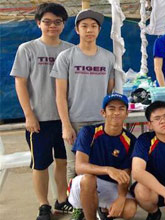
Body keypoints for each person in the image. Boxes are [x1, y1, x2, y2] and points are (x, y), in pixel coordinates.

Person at [10, 3, 73, 219]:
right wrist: (29, 114)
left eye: (57, 22)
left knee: (64, 162)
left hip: (65, 119)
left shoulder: (69, 50)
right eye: (47, 21)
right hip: (39, 119)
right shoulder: (27, 49)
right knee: (41, 163)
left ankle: (62, 200)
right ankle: (43, 204)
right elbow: (20, 83)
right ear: (39, 23)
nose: (52, 26)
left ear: (64, 25)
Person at [51, 9, 115, 181]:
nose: (89, 30)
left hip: (101, 121)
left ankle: (100, 205)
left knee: (100, 163)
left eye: (94, 26)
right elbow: (60, 95)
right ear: (77, 30)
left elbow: (109, 91)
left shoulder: (108, 57)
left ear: (99, 30)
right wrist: (66, 125)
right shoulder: (66, 57)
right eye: (84, 26)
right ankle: (75, 206)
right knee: (75, 166)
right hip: (75, 121)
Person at [67, 93, 137, 220]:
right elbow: (79, 167)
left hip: (110, 185)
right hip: (85, 183)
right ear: (103, 112)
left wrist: (121, 198)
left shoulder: (131, 140)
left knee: (130, 210)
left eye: (121, 109)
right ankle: (82, 210)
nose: (116, 113)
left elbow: (125, 174)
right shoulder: (88, 132)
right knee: (89, 179)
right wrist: (108, 169)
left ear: (127, 113)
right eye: (111, 109)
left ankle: (102, 209)